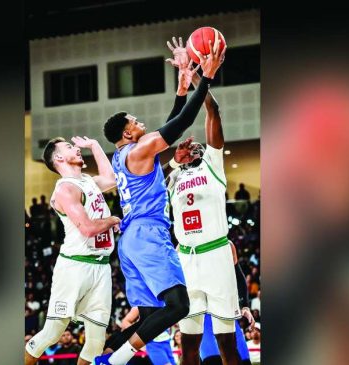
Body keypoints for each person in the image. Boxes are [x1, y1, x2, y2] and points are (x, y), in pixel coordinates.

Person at [96, 35, 225, 365]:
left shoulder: (123, 155)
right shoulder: (139, 149)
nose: (141, 123)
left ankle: (110, 356)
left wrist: (182, 87)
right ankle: (115, 360)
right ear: (127, 133)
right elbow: (179, 124)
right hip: (148, 234)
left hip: (132, 240)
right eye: (135, 122)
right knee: (179, 306)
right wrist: (206, 76)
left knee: (153, 317)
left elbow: (169, 128)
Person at [163, 37, 243, 365]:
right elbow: (166, 137)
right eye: (187, 146)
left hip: (215, 255)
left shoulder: (213, 164)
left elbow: (212, 110)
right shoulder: (173, 177)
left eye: (197, 145)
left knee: (226, 342)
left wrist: (197, 74)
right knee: (189, 345)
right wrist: (182, 75)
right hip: (186, 260)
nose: (193, 146)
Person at [25, 136, 121, 365]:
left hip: (101, 266)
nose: (76, 148)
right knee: (52, 332)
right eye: (69, 147)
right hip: (75, 266)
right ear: (58, 157)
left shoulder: (87, 181)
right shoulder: (65, 189)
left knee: (97, 342)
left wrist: (95, 145)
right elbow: (87, 228)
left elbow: (111, 178)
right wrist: (112, 219)